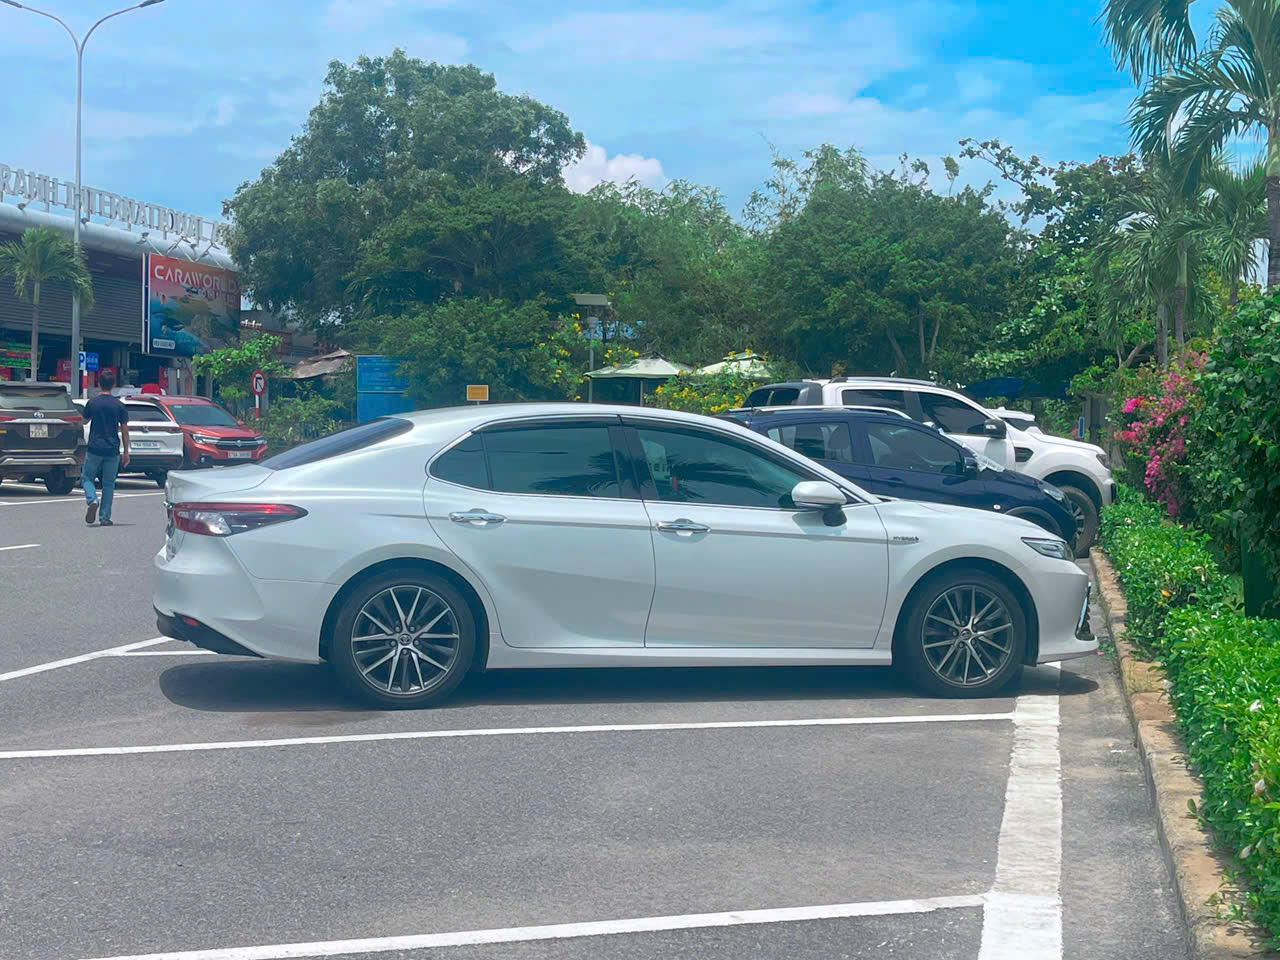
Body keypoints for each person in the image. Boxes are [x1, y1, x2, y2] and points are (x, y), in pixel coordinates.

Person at [81, 370, 130, 526]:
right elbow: (125, 430)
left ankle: (92, 499)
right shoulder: (119, 405)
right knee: (108, 483)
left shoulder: (93, 403)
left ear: (99, 384)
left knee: (87, 477)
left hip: (94, 447)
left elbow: (83, 421)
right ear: (113, 385)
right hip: (112, 448)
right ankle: (105, 517)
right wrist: (126, 452)